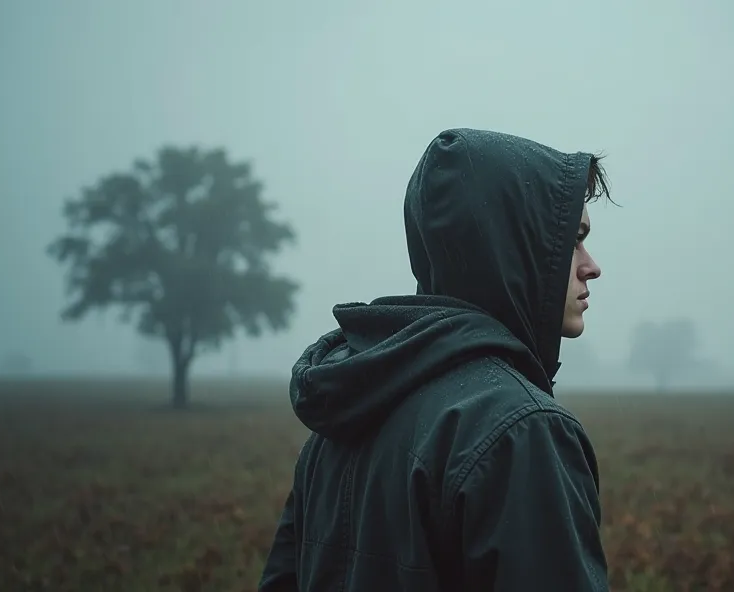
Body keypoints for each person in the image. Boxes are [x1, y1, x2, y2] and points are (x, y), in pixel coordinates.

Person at [259, 128, 612, 591]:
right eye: (572, 240)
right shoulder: (520, 431)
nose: (592, 265)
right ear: (512, 247)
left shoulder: (342, 414)